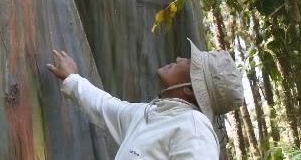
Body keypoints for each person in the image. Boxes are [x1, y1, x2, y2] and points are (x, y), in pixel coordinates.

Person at [46, 40, 244, 159]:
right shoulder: (149, 114)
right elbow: (105, 105)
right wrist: (72, 78)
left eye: (190, 64)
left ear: (190, 89)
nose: (179, 59)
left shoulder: (194, 126)